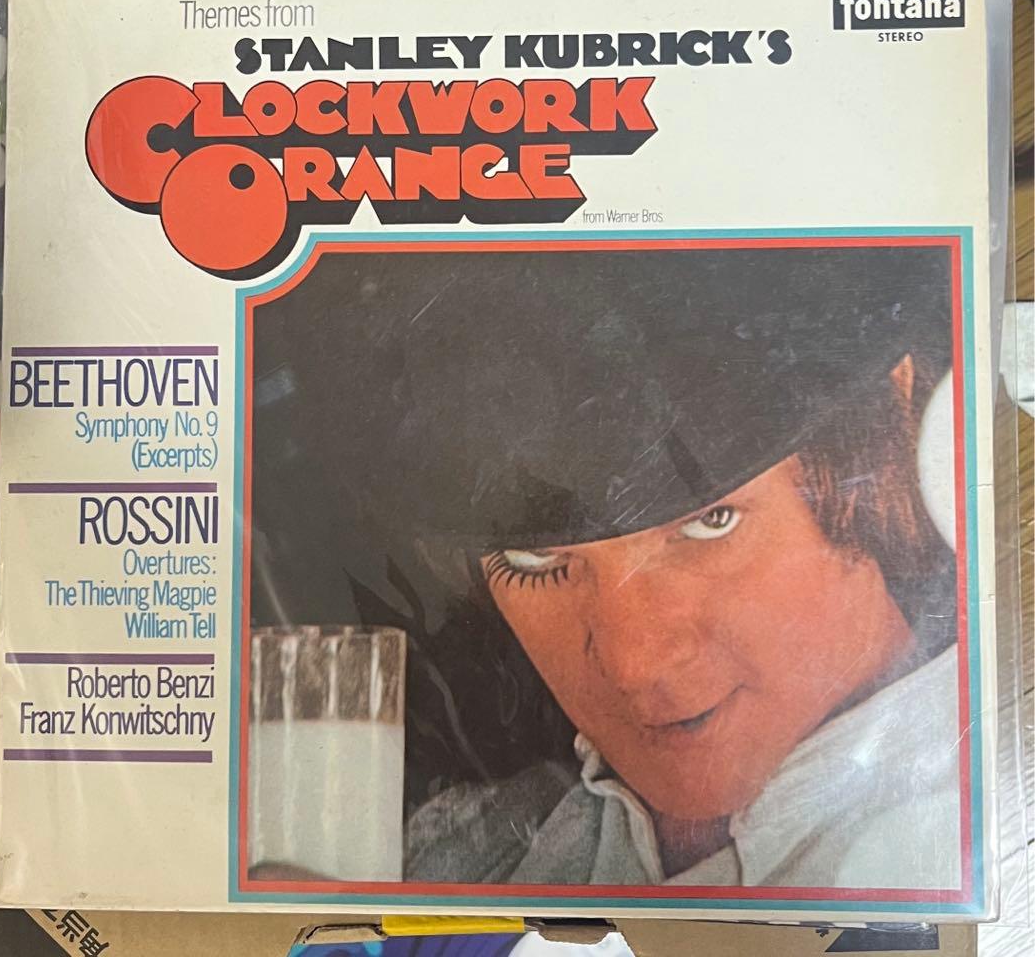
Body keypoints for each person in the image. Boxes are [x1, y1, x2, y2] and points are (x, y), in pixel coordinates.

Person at [252, 243, 961, 890]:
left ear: (886, 435)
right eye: (535, 560)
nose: (633, 661)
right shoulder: (460, 857)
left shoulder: (956, 839)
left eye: (711, 522)